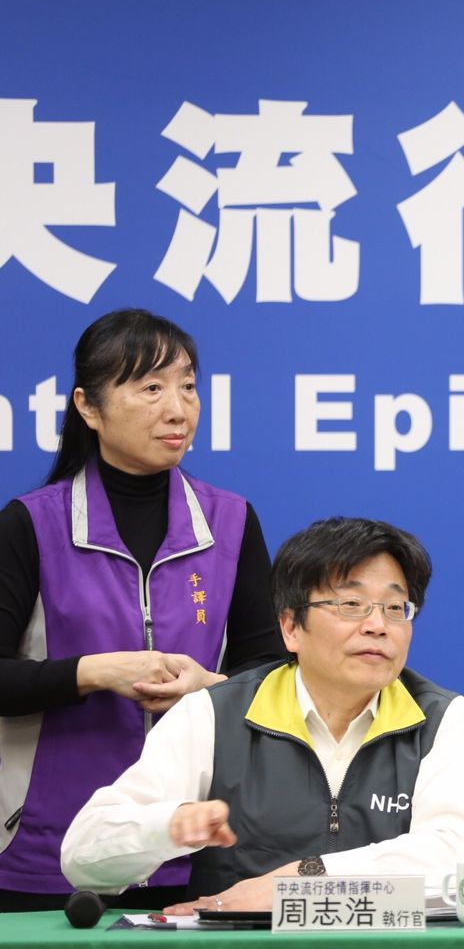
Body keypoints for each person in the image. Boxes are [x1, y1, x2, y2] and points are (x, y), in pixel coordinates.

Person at [61, 516, 464, 913]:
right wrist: (168, 825)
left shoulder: (447, 721)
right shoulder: (213, 716)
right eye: (351, 605)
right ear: (291, 627)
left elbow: (458, 859)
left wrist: (301, 881)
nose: (378, 625)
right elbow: (82, 857)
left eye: (395, 608)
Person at [0, 309, 283, 912]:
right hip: (44, 853)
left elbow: (274, 676)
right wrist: (95, 672)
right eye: (151, 388)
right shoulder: (31, 524)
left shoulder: (231, 521)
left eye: (188, 386)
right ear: (89, 407)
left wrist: (207, 687)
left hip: (197, 849)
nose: (178, 409)